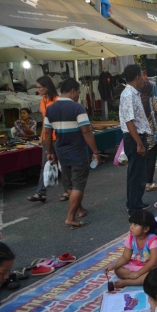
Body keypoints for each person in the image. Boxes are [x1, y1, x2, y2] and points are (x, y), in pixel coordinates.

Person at [44, 78, 100, 229]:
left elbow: (48, 133)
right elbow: (86, 131)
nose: (78, 96)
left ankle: (80, 209)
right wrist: (95, 151)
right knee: (78, 184)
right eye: (78, 92)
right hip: (77, 151)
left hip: (61, 151)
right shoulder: (77, 108)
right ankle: (70, 216)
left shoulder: (50, 109)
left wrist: (49, 151)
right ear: (73, 91)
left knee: (69, 183)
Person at [104, 210, 157, 288]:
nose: (131, 227)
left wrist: (138, 273)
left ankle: (129, 282)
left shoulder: (153, 240)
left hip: (154, 266)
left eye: (135, 224)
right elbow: (125, 257)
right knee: (118, 270)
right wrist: (113, 266)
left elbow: (153, 262)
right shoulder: (131, 237)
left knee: (154, 275)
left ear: (145, 229)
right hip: (139, 263)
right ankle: (137, 279)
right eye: (131, 223)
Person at [119, 65, 151, 214]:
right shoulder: (128, 95)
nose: (144, 79)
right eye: (142, 76)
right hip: (134, 138)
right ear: (138, 77)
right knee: (135, 173)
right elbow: (129, 121)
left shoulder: (134, 93)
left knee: (139, 173)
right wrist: (139, 143)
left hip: (138, 136)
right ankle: (133, 207)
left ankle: (136, 201)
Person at [28, 76, 60, 203]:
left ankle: (68, 190)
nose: (37, 90)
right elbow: (45, 122)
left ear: (46, 87)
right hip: (48, 137)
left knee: (63, 165)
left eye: (39, 87)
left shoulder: (57, 100)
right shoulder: (42, 101)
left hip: (58, 136)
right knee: (45, 164)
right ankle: (41, 192)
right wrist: (42, 137)